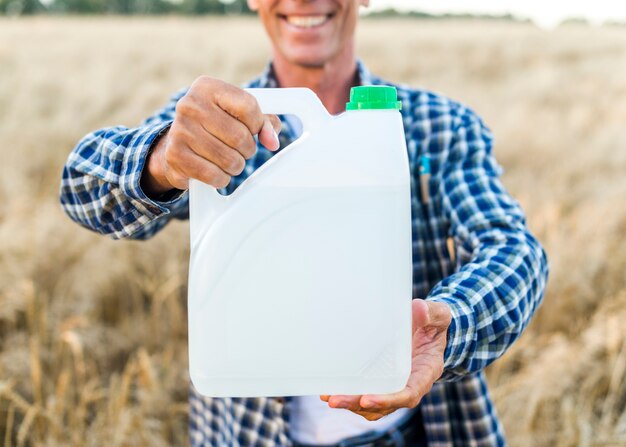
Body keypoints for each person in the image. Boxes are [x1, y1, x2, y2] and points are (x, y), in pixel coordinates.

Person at [59, 0, 549, 445]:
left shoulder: (434, 124)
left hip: (419, 430)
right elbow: (80, 189)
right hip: (254, 432)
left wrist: (449, 325)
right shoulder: (218, 124)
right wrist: (161, 159)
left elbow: (513, 249)